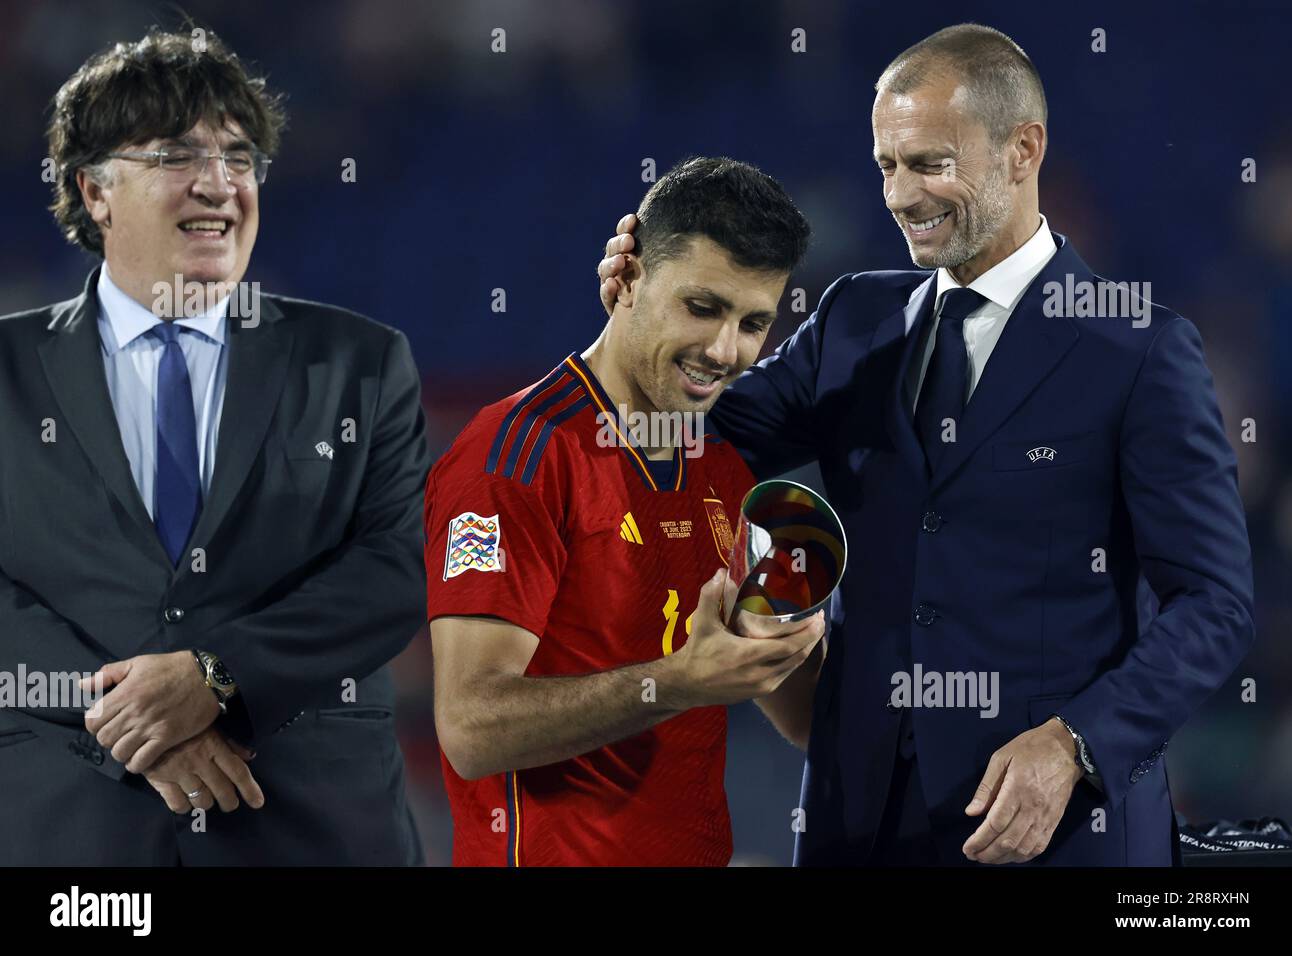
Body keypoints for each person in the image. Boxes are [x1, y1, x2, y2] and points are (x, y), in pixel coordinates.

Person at [596, 24, 1253, 865]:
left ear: (1023, 150)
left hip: (1049, 831)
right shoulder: (855, 318)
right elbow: (686, 454)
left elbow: (1215, 604)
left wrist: (1076, 744)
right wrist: (638, 332)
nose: (902, 195)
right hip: (855, 822)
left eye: (929, 164)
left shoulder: (1140, 351)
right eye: (886, 166)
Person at [0, 28, 428, 865]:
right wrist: (141, 719)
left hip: (310, 827)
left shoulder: (361, 363)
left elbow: (400, 562)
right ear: (95, 191)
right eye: (176, 155)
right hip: (74, 836)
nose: (220, 184)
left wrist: (219, 676)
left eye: (240, 157)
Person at [425, 157, 823, 865]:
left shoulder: (723, 471)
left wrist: (795, 626)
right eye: (701, 308)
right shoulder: (515, 456)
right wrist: (675, 682)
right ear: (629, 277)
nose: (723, 351)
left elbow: (802, 717)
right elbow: (470, 728)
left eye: (753, 322)